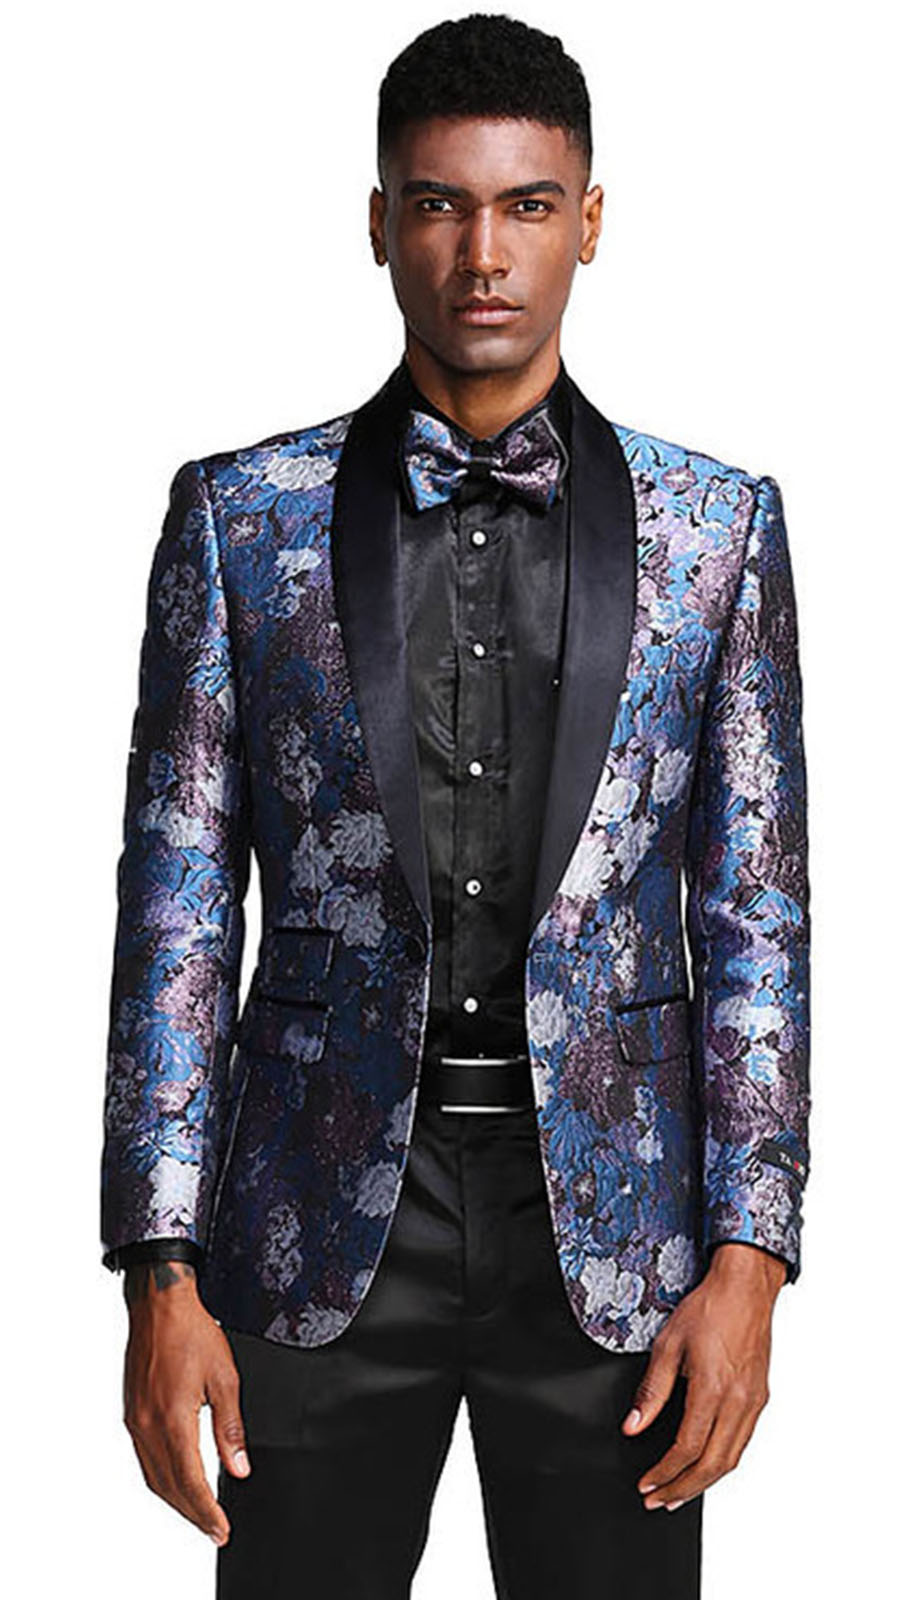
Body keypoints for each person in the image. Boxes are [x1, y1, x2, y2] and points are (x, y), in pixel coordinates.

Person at [100, 14, 810, 1598]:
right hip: (314, 1222)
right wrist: (159, 1272)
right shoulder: (241, 519)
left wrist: (752, 1259)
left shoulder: (718, 532)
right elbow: (177, 913)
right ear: (379, 223)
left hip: (619, 1240)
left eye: (527, 206)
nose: (483, 255)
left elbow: (756, 915)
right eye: (439, 204)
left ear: (590, 221)